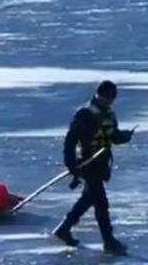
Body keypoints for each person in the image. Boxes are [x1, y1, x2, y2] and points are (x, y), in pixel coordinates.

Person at [51, 80, 134, 254]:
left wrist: (124, 137)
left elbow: (113, 136)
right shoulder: (85, 114)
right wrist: (72, 165)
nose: (109, 101)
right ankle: (109, 241)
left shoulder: (109, 113)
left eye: (112, 98)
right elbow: (70, 141)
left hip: (101, 164)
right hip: (88, 164)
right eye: (106, 97)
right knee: (101, 203)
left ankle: (64, 229)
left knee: (88, 199)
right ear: (98, 94)